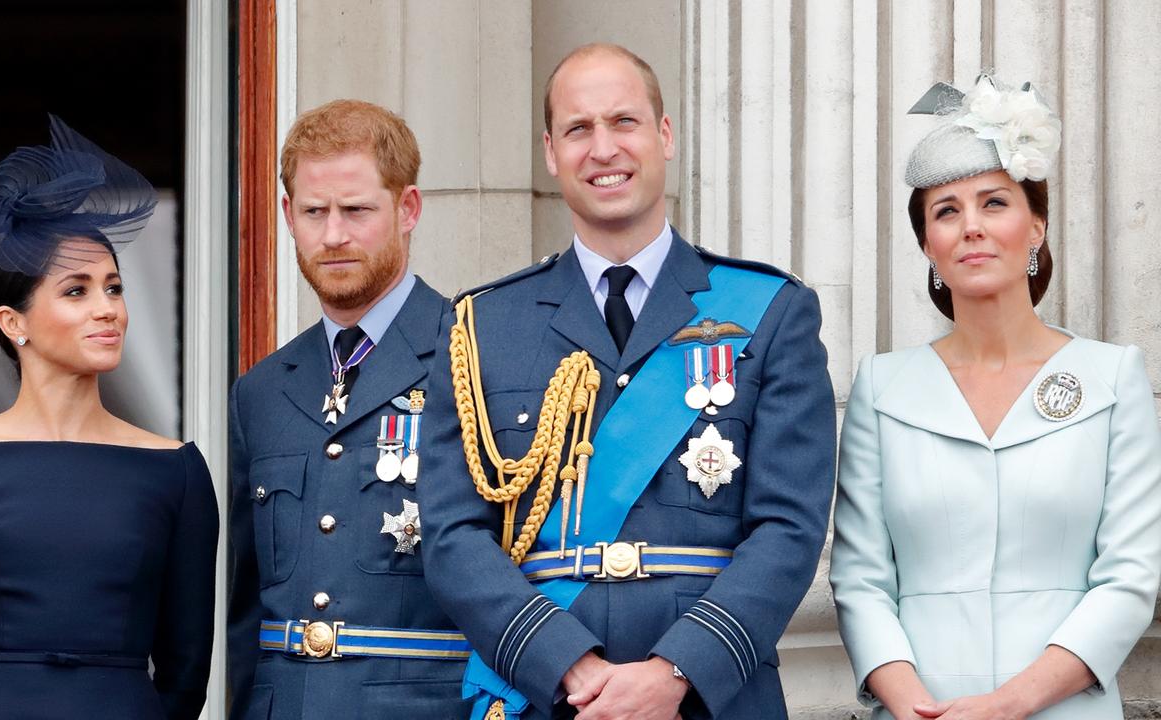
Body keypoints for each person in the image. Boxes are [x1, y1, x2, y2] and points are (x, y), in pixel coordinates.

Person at [419, 43, 836, 720]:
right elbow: (451, 535)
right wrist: (567, 667)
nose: (603, 148)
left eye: (624, 122)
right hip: (549, 696)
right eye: (579, 129)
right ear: (551, 152)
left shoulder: (770, 311)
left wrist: (676, 673)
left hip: (709, 697)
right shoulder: (482, 325)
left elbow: (789, 527)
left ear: (664, 136)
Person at [830, 75, 1161, 720]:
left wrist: (1009, 705)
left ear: (1036, 226)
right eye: (947, 211)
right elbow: (861, 579)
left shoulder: (1112, 377)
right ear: (928, 246)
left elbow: (1128, 578)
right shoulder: (882, 387)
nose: (971, 227)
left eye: (994, 203)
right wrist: (916, 707)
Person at [0, 115, 219, 720]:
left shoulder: (179, 472)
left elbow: (187, 669)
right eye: (77, 291)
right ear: (14, 323)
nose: (108, 310)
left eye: (114, 288)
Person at [227, 99, 470, 719]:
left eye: (357, 210)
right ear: (288, 215)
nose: (333, 235)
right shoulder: (260, 392)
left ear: (407, 209)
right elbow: (246, 612)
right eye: (314, 211)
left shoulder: (474, 359)